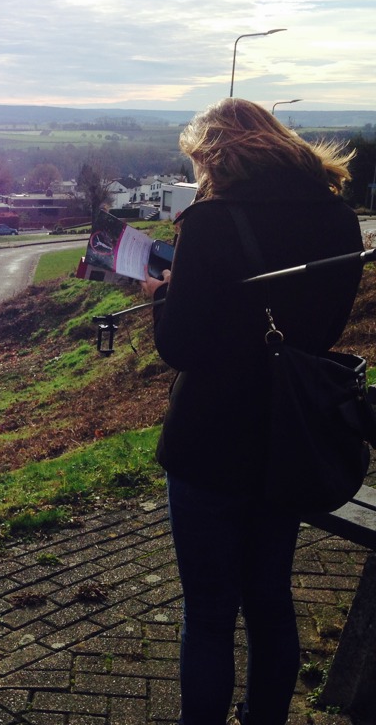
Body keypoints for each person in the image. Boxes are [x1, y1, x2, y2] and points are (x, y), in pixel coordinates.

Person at [140, 98, 363, 725]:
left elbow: (181, 346)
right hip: (291, 432)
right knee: (270, 596)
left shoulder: (211, 222)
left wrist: (161, 297)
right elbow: (317, 328)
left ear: (218, 153)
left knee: (209, 610)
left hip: (210, 438)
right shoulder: (340, 219)